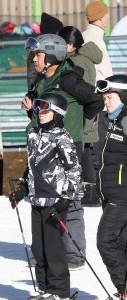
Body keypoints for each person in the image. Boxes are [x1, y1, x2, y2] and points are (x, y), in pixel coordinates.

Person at [22, 33, 102, 270]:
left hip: (67, 146)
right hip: (42, 147)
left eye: (37, 54)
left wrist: (77, 124)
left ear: (52, 55)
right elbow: (44, 111)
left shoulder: (67, 79)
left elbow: (95, 101)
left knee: (70, 200)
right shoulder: (41, 79)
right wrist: (30, 108)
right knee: (43, 199)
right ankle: (48, 252)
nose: (33, 59)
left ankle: (74, 254)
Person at [9, 92, 81, 300]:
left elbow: (73, 169)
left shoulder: (63, 138)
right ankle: (44, 288)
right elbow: (32, 167)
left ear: (57, 112)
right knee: (39, 249)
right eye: (38, 107)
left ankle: (59, 292)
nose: (40, 112)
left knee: (53, 249)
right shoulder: (33, 134)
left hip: (55, 201)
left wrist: (66, 197)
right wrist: (22, 189)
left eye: (45, 108)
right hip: (36, 199)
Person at [58, 25, 102, 206]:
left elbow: (82, 91)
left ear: (70, 45)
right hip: (86, 112)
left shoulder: (78, 61)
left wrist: (85, 114)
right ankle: (89, 192)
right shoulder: (81, 57)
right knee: (86, 153)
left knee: (84, 154)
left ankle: (90, 194)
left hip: (84, 112)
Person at [95, 75, 127, 300]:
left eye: (110, 97)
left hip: (122, 193)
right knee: (122, 242)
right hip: (108, 192)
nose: (106, 101)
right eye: (105, 97)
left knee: (105, 240)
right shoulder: (107, 120)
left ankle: (123, 288)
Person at [83, 0, 113, 165]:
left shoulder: (84, 35)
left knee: (88, 146)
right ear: (102, 17)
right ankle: (96, 186)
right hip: (99, 100)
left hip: (86, 98)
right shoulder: (96, 40)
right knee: (100, 146)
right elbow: (106, 73)